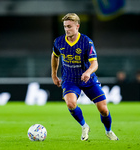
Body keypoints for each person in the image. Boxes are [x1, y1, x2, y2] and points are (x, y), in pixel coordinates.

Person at [51, 13, 119, 141]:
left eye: (69, 26)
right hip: (70, 80)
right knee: (70, 103)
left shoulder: (86, 42)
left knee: (103, 110)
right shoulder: (59, 41)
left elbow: (95, 63)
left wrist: (88, 72)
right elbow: (55, 56)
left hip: (88, 80)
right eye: (65, 26)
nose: (66, 29)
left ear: (77, 26)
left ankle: (108, 131)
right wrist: (54, 75)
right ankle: (84, 126)